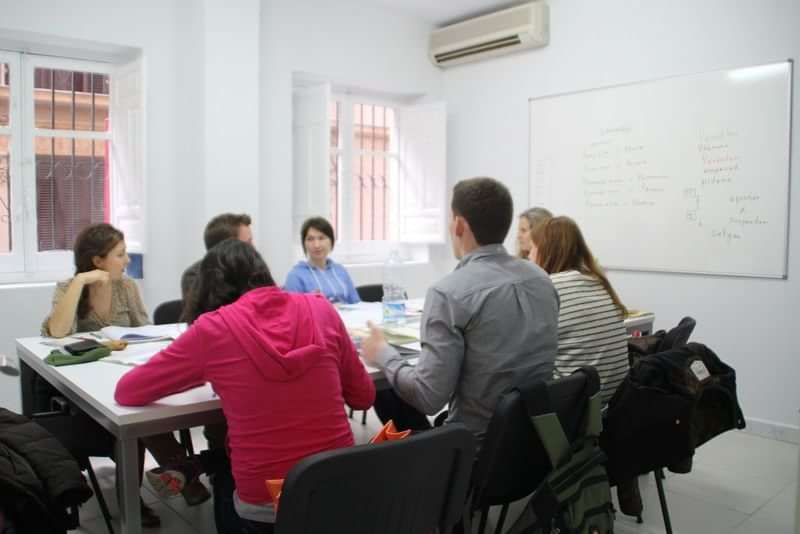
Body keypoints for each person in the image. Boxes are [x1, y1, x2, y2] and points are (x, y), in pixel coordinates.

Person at [115, 239, 376, 533]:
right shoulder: (321, 308)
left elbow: (128, 392)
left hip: (267, 504)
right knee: (227, 451)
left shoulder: (213, 329)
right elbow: (364, 397)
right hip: (339, 486)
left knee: (228, 461)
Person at [362, 177, 559, 444]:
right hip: (536, 440)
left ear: (458, 225)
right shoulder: (542, 280)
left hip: (477, 450)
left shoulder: (448, 293)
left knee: (388, 393)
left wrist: (383, 353)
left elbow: (428, 398)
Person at [41, 223, 209, 527]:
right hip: (83, 391)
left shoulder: (127, 287)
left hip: (120, 376)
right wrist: (80, 282)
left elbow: (146, 331)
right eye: (120, 255)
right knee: (136, 412)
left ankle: (159, 484)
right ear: (97, 261)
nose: (127, 260)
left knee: (139, 409)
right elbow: (57, 332)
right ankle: (177, 477)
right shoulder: (68, 288)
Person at [529, 216, 629, 404]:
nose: (528, 257)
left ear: (546, 251)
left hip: (576, 408)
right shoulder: (597, 281)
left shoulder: (548, 287)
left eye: (532, 249)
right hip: (615, 403)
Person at [284, 216, 360, 304]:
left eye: (321, 238)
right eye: (310, 239)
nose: (316, 245)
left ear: (331, 241)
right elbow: (294, 311)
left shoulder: (340, 270)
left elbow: (356, 303)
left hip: (347, 317)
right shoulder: (295, 276)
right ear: (304, 244)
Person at [182, 212, 253, 301]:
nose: (253, 249)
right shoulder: (194, 275)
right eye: (247, 244)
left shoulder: (254, 270)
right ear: (225, 248)